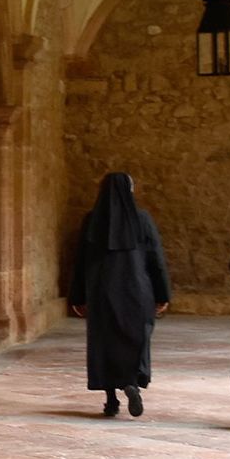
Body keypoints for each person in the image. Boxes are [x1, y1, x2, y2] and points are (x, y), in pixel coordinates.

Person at [70, 172, 172, 417]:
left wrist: (77, 297)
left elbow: (80, 261)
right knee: (136, 340)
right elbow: (155, 260)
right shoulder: (142, 220)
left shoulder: (92, 220)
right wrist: (162, 294)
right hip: (138, 292)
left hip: (102, 294)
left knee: (105, 343)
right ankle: (131, 383)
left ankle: (111, 400)